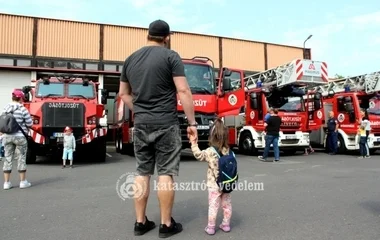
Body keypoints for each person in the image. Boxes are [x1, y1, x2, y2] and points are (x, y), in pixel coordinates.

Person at [118, 19, 197, 238]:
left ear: (148, 35)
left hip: (142, 124)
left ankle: (140, 222)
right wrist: (192, 123)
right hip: (166, 123)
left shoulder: (130, 60)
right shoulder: (171, 56)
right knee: (166, 174)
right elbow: (183, 91)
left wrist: (141, 110)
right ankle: (165, 225)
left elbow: (123, 94)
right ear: (167, 37)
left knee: (142, 172)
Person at [190, 118, 233, 235]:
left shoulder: (210, 151)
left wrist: (194, 143)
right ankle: (226, 224)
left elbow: (198, 155)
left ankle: (211, 227)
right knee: (226, 205)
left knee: (213, 206)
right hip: (227, 183)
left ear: (212, 136)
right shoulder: (228, 150)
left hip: (214, 185)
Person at [2, 89, 33, 190]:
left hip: (7, 137)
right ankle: (23, 182)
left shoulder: (5, 108)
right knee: (21, 158)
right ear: (20, 98)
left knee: (7, 158)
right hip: (20, 137)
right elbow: (30, 124)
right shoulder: (22, 109)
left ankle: (6, 183)